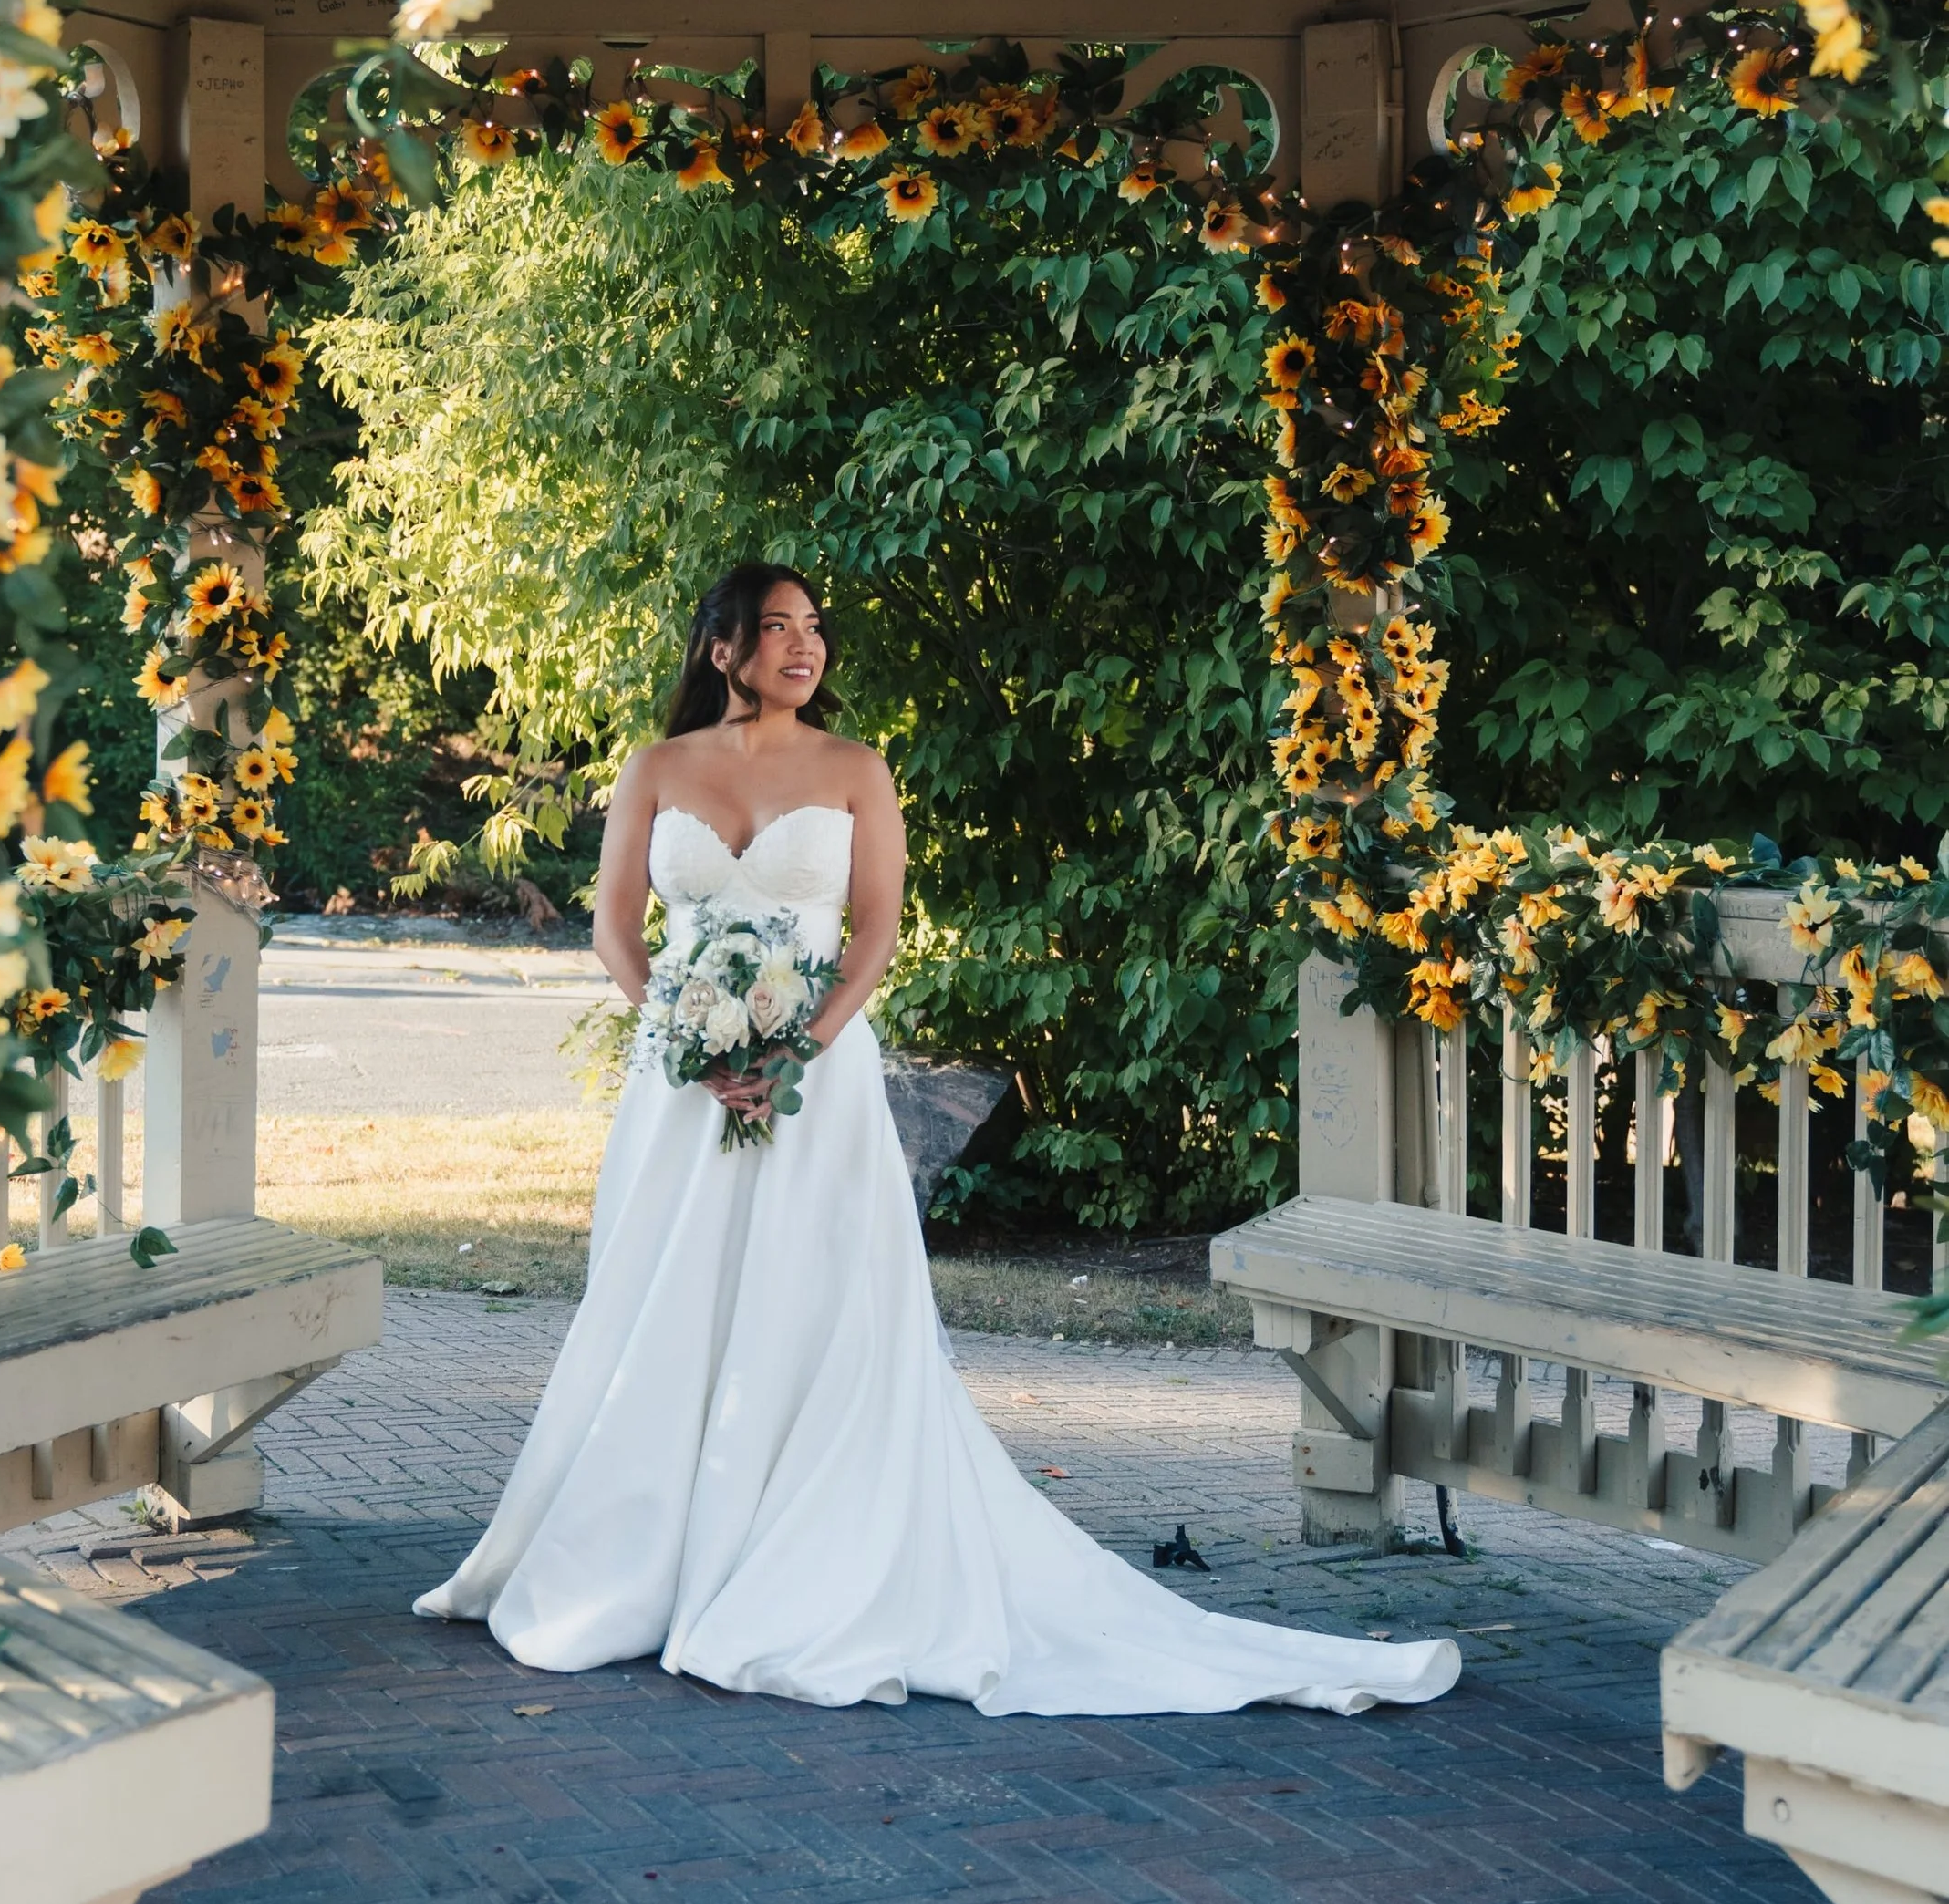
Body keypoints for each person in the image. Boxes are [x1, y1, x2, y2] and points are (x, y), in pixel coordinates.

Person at [415, 562, 1458, 1718]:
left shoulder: (856, 770)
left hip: (818, 1081)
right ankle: (642, 1558)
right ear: (721, 650)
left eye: (814, 628)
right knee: (665, 1301)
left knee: (816, 1308)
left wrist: (790, 1047)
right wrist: (693, 1040)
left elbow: (874, 934)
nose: (803, 648)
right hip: (683, 1089)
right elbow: (616, 932)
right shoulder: (655, 771)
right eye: (775, 630)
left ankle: (792, 1559)